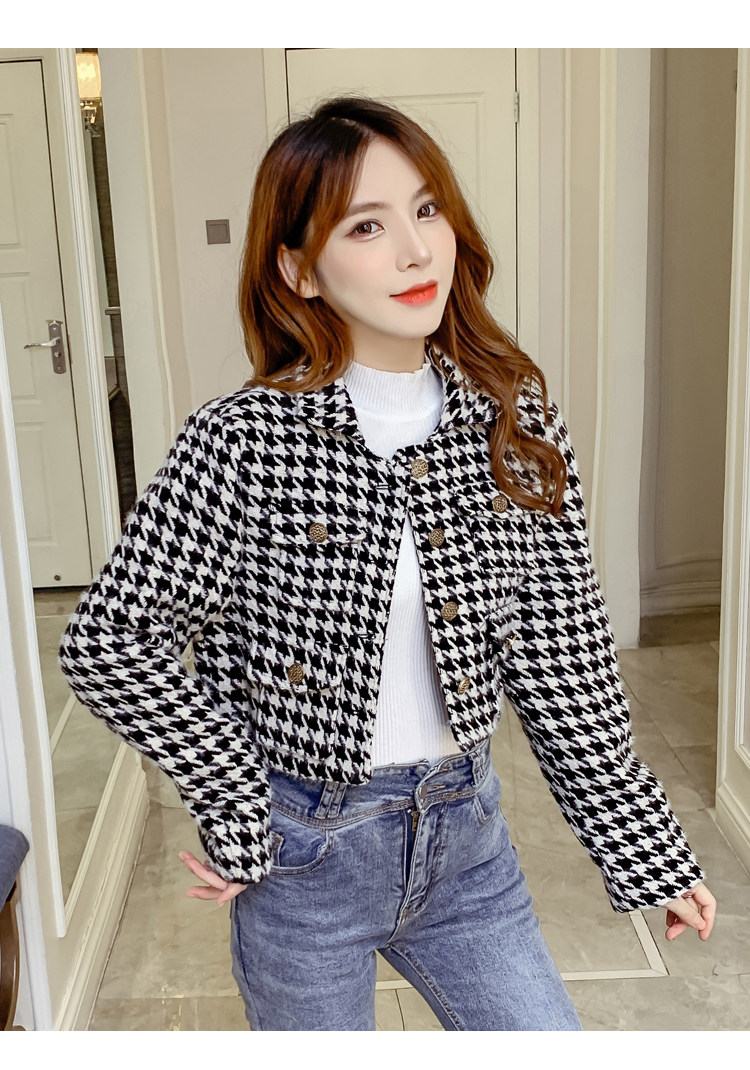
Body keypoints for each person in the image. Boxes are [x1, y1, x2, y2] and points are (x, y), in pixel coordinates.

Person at [59, 95, 716, 1032]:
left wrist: (647, 847)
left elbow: (564, 660)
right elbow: (110, 641)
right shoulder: (244, 440)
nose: (415, 251)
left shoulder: (514, 422)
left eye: (427, 210)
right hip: (303, 860)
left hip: (466, 845)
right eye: (366, 226)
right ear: (300, 269)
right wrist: (232, 793)